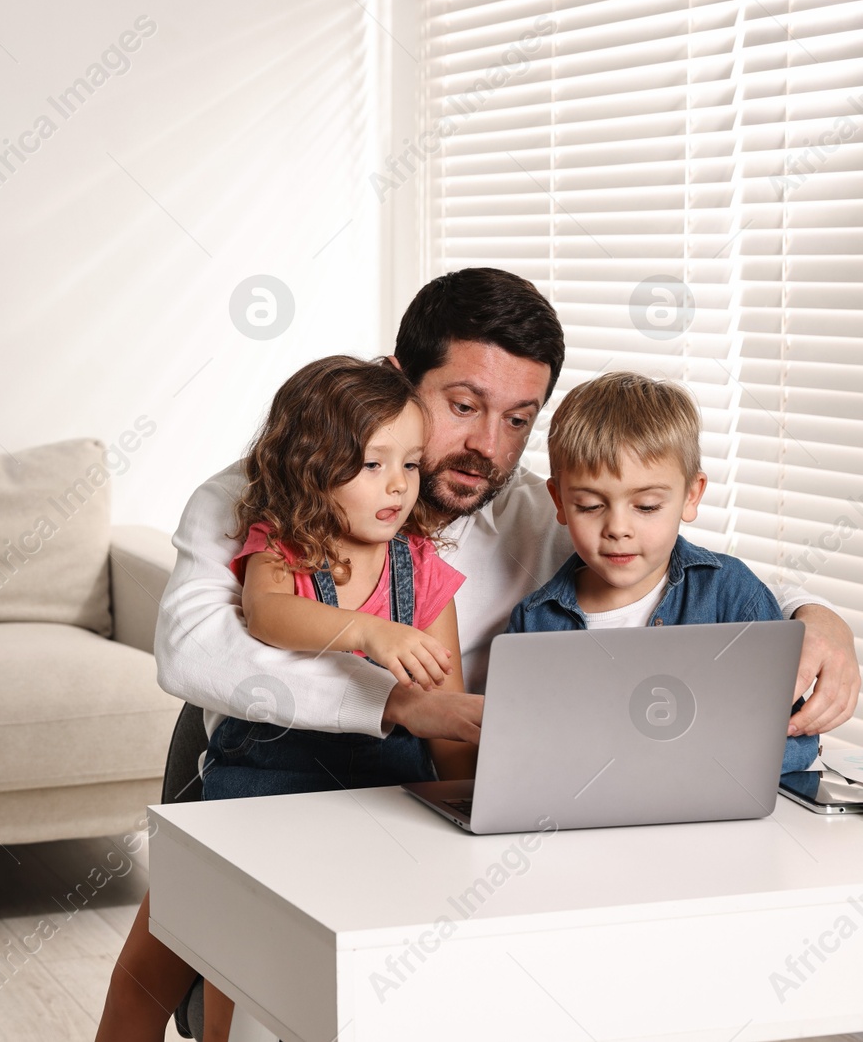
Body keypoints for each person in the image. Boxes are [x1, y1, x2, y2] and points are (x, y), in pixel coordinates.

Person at [95, 267, 860, 1040]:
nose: (488, 447)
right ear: (396, 378)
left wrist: (814, 614)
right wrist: (391, 694)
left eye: (520, 419)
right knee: (181, 984)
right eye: (463, 407)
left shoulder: (540, 509)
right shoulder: (263, 495)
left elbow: (662, 541)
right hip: (265, 783)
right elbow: (193, 649)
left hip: (423, 803)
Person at [198, 356, 475, 1038]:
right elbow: (266, 614)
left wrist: (472, 799)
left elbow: (446, 707)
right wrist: (369, 633)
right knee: (239, 952)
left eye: (410, 464)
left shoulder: (422, 570)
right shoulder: (284, 547)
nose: (398, 485)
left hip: (386, 783)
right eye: (372, 464)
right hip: (270, 781)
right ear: (310, 465)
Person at [507, 371, 820, 772]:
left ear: (691, 496)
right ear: (561, 502)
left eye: (647, 506)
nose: (618, 528)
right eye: (589, 505)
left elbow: (794, 737)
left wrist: (685, 762)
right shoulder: (534, 621)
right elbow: (521, 756)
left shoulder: (731, 595)